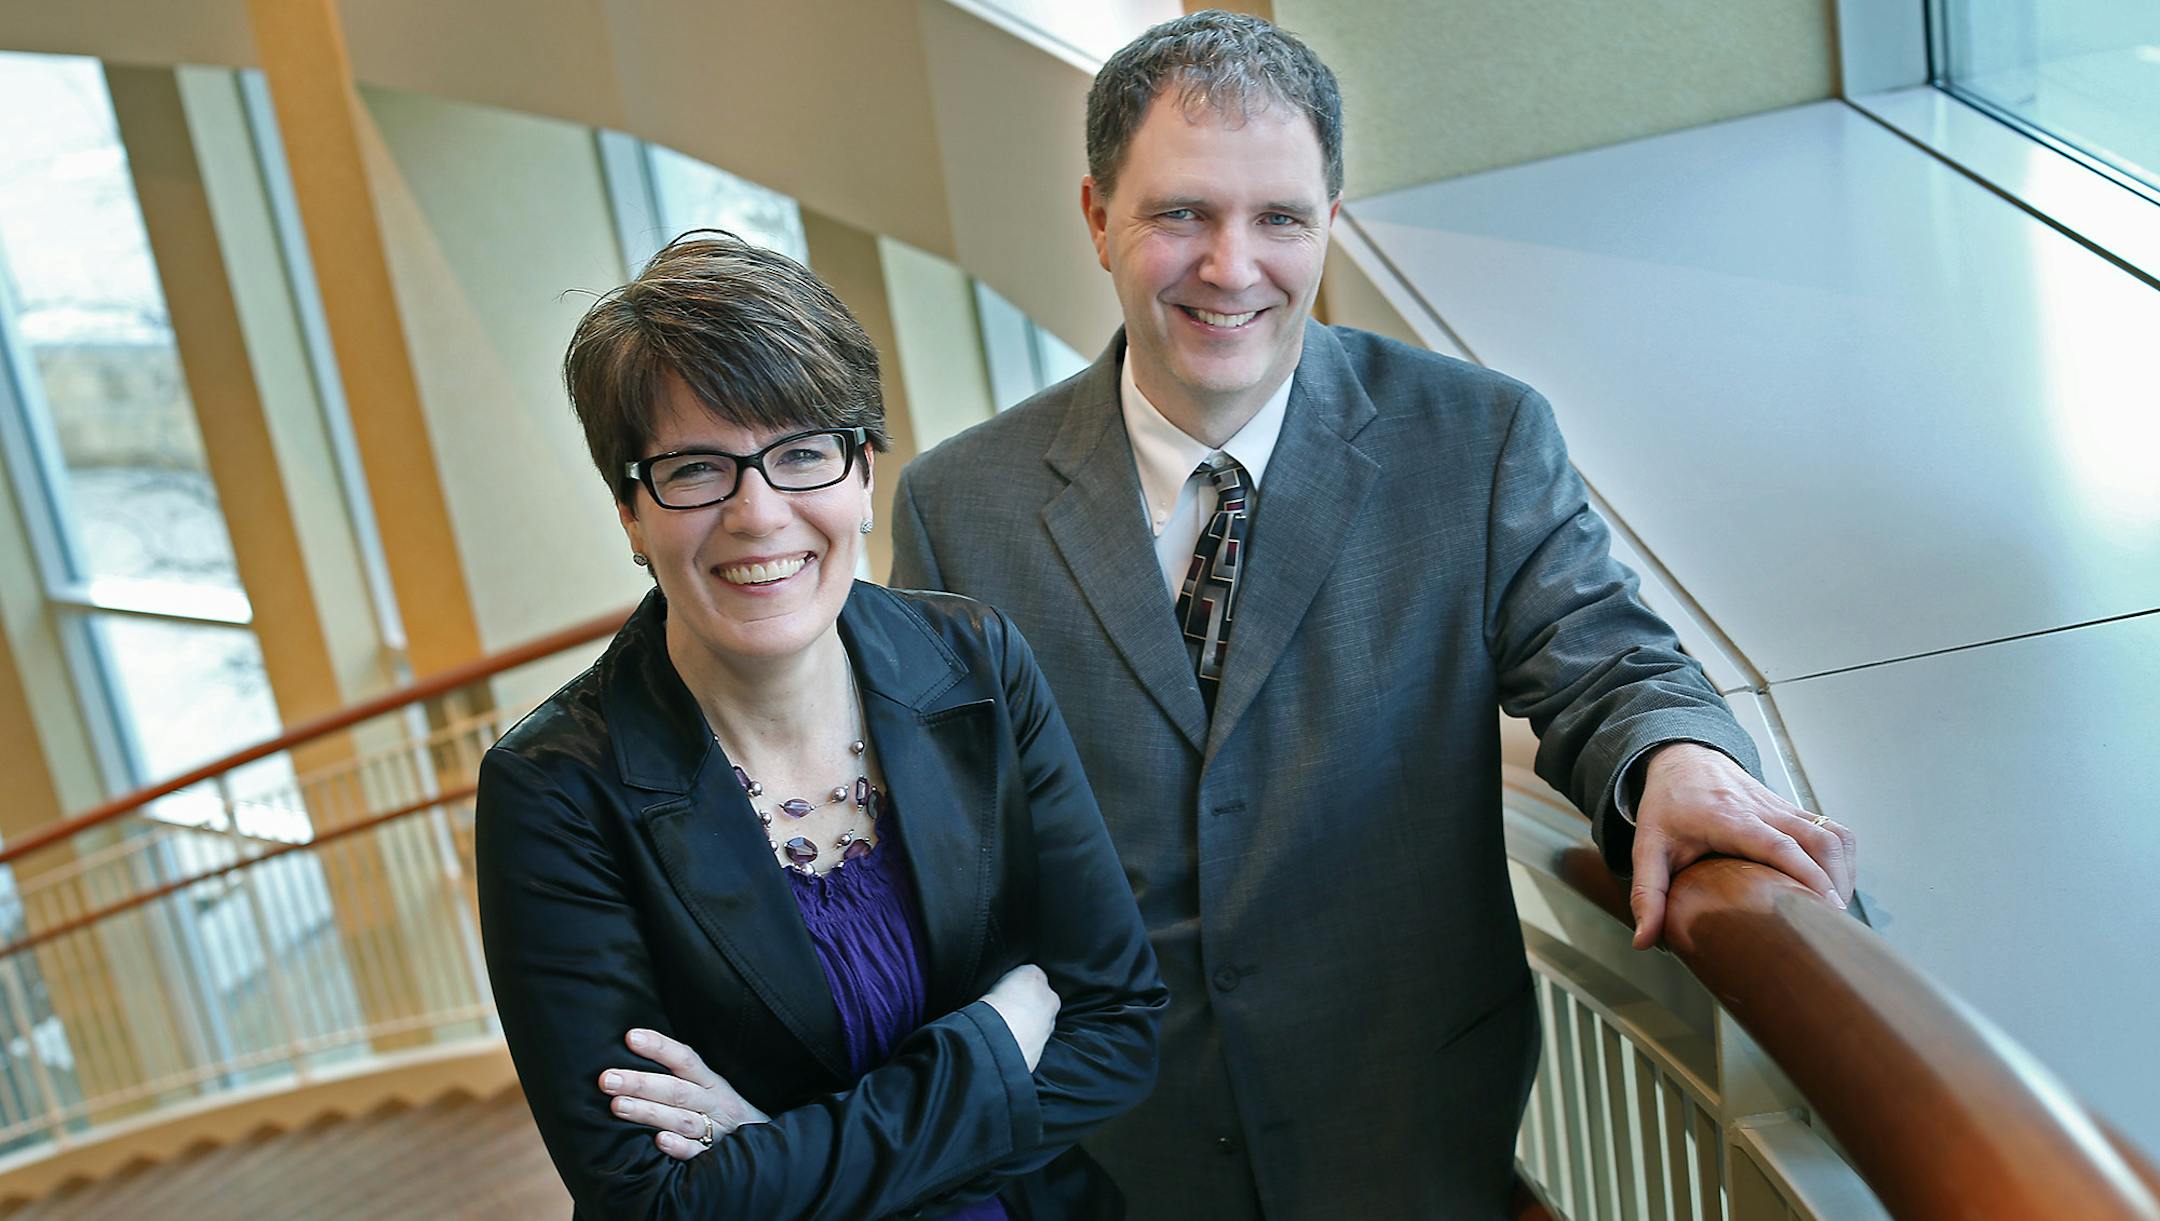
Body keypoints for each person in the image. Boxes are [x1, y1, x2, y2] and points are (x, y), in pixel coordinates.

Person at [886, 12, 1857, 1218]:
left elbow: (1605, 658)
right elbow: (943, 858)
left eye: (1280, 217)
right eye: (1181, 212)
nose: (1233, 267)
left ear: (1329, 222)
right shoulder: (955, 508)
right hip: (1110, 1155)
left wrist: (1678, 754)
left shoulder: (1478, 440)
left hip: (1409, 1132)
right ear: (1098, 218)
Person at [474, 232, 1167, 1219]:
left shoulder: (978, 667)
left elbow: (1119, 1027)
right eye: (696, 469)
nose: (759, 514)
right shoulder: (558, 790)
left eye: (803, 454)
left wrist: (772, 1153)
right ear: (632, 513)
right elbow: (650, 1204)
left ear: (863, 475)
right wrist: (996, 1044)